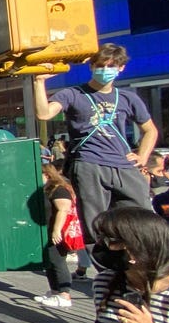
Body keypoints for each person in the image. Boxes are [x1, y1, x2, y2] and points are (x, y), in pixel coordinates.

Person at [33, 44, 158, 245]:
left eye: (111, 66)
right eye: (100, 65)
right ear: (91, 66)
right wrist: (39, 82)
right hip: (89, 163)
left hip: (123, 164)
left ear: (121, 68)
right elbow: (44, 113)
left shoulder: (127, 97)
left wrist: (142, 156)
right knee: (95, 222)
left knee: (141, 215)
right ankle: (106, 266)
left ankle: (138, 258)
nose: (105, 70)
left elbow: (150, 130)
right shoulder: (73, 94)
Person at [37, 162, 78, 310]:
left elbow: (63, 210)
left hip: (57, 232)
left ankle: (64, 294)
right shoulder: (48, 189)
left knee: (58, 262)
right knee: (50, 262)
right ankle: (55, 291)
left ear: (47, 175)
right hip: (48, 230)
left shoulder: (58, 190)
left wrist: (56, 230)